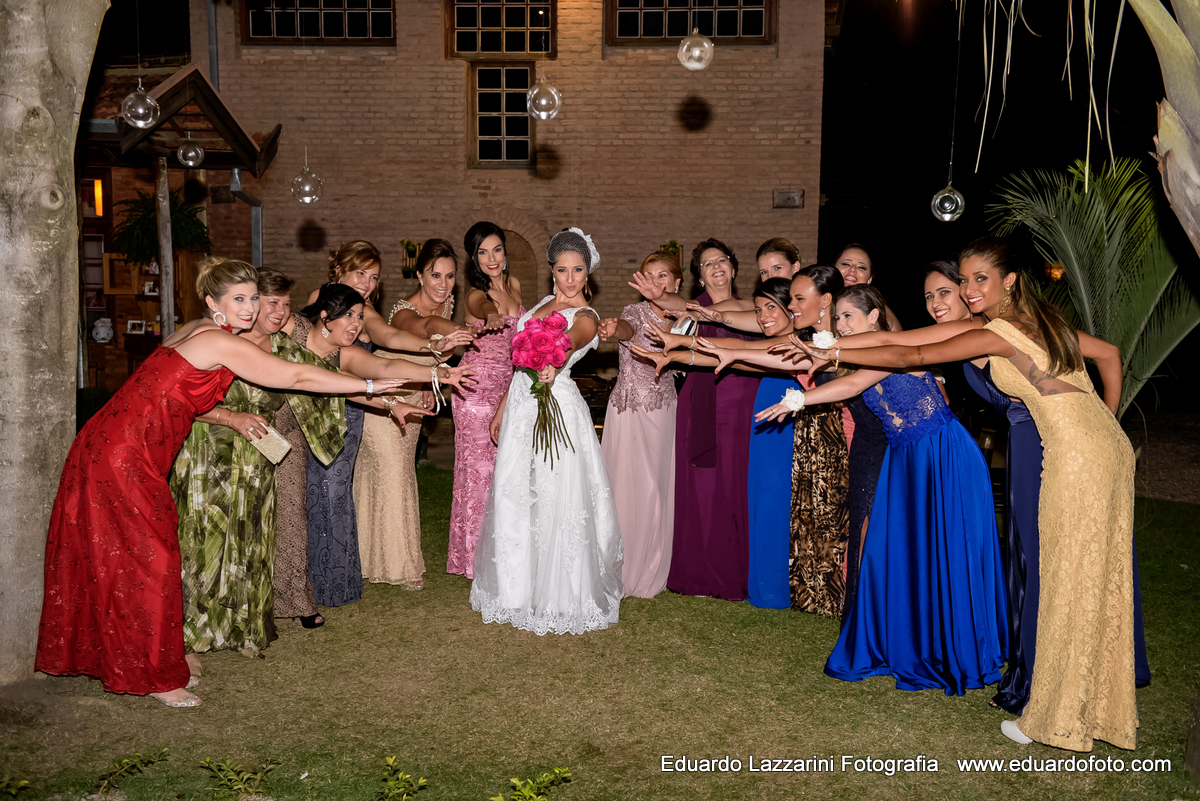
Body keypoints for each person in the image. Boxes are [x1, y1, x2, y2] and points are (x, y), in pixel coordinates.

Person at [801, 236, 1139, 751]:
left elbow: (914, 352)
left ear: (1010, 281)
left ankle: (1054, 720)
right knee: (1094, 573)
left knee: (1063, 576)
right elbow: (1110, 354)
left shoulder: (1000, 330)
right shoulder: (1043, 321)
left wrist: (831, 348)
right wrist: (1107, 423)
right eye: (964, 280)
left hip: (1073, 451)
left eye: (979, 279)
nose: (968, 289)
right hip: (1107, 448)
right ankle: (1101, 708)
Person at [35, 258, 409, 707]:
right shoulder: (218, 340)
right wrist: (369, 387)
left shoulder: (201, 330)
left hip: (116, 441)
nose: (250, 307)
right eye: (239, 299)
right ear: (214, 302)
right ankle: (154, 676)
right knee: (153, 559)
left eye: (253, 297)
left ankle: (128, 657)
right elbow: (295, 375)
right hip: (125, 452)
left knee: (126, 555)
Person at [750, 284, 1009, 696]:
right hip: (906, 458)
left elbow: (853, 386)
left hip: (942, 453)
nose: (841, 325)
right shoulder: (854, 354)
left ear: (873, 317)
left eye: (848, 316)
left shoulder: (889, 347)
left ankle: (959, 648)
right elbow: (829, 373)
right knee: (907, 554)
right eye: (838, 318)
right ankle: (916, 641)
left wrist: (798, 400)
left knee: (947, 550)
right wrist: (713, 351)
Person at [470, 227, 623, 634]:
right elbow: (520, 364)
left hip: (556, 407)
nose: (570, 279)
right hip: (522, 405)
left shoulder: (586, 315)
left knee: (556, 497)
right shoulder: (540, 305)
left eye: (578, 270)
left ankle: (562, 595)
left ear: (587, 273)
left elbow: (573, 338)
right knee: (516, 492)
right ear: (552, 271)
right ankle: (516, 589)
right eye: (562, 270)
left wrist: (555, 357)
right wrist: (503, 406)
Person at [299, 284, 476, 609]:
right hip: (286, 428)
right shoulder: (296, 340)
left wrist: (437, 374)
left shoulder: (345, 353)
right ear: (324, 317)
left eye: (360, 316)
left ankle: (328, 584)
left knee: (331, 496)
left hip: (325, 428)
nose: (356, 324)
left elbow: (384, 368)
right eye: (348, 315)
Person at [633, 278, 798, 609]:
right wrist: (680, 349)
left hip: (790, 414)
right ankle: (767, 580)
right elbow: (733, 351)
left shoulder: (799, 341)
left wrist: (682, 345)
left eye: (771, 307)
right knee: (765, 497)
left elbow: (737, 349)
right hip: (769, 405)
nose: (764, 316)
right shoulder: (771, 339)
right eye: (760, 309)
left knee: (778, 498)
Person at [632, 238, 760, 600]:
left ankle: (741, 570)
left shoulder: (753, 307)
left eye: (722, 260)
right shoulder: (693, 310)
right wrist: (660, 296)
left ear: (733, 267)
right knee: (704, 488)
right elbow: (678, 306)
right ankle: (702, 573)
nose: (716, 267)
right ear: (700, 276)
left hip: (747, 405)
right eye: (707, 264)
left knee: (739, 485)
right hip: (705, 404)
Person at [356, 239, 462, 590]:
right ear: (419, 276)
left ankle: (363, 558)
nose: (442, 284)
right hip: (386, 395)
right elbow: (424, 327)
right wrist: (463, 333)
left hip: (415, 395)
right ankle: (400, 567)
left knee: (391, 472)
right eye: (435, 275)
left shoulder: (448, 303)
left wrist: (429, 385)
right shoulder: (405, 311)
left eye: (449, 276)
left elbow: (427, 358)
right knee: (394, 473)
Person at [598, 250, 684, 598]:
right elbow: (626, 328)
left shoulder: (686, 317)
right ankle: (618, 564)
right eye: (650, 275)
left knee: (654, 489)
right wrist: (612, 328)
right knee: (623, 486)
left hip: (662, 411)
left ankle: (650, 565)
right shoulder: (634, 311)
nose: (656, 282)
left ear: (677, 282)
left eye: (663, 275)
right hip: (627, 411)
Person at [447, 222, 524, 578]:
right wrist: (491, 314)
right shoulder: (475, 293)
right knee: (478, 475)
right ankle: (475, 560)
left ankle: (502, 552)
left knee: (504, 472)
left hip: (507, 388)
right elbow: (481, 306)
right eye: (482, 252)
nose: (491, 258)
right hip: (475, 390)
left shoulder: (515, 285)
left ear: (505, 250)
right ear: (473, 258)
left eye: (496, 249)